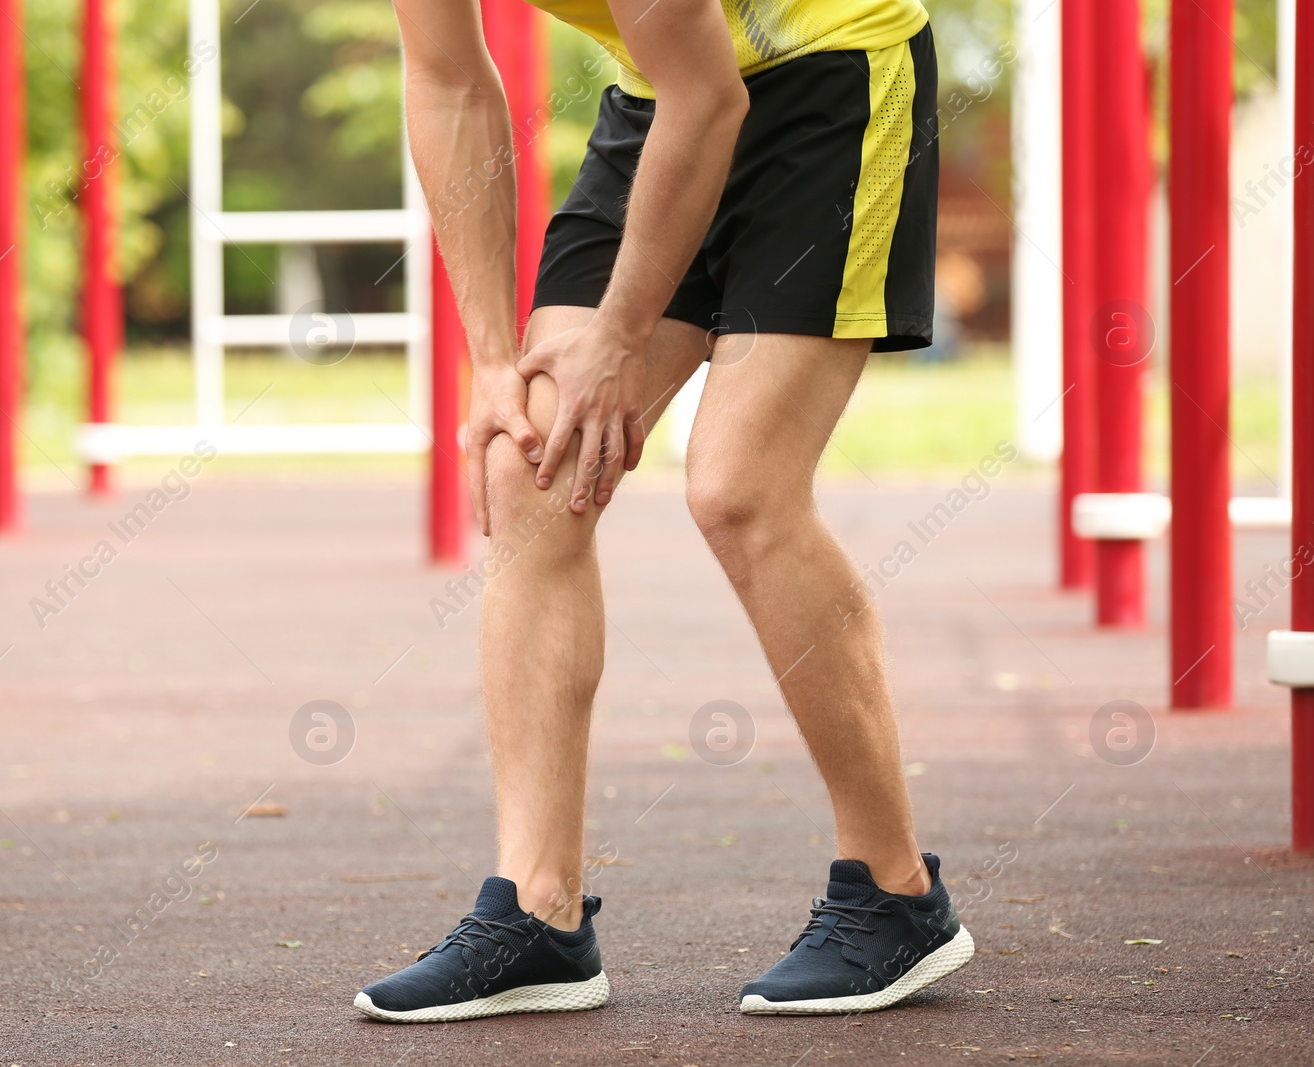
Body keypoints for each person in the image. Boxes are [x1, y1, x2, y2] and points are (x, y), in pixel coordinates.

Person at [355, 0, 973, 1022]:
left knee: (740, 488)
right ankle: (536, 914)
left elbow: (710, 92)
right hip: (664, 100)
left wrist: (617, 335)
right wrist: (492, 360)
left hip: (830, 79)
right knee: (531, 469)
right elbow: (449, 83)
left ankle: (895, 889)